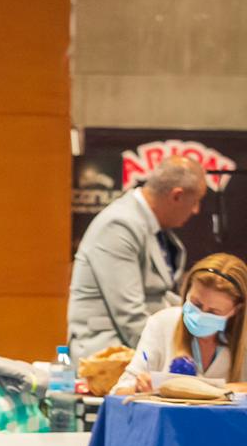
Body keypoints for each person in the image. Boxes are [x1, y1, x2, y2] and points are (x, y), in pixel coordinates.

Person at [69, 156, 208, 361]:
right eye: (195, 201)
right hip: (107, 357)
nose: (196, 210)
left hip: (137, 350)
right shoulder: (119, 226)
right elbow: (129, 317)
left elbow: (160, 296)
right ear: (176, 196)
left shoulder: (150, 226)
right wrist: (177, 355)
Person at [114, 253, 247, 393]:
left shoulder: (243, 338)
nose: (200, 315)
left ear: (236, 310)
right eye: (196, 304)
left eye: (213, 312)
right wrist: (138, 387)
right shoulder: (162, 323)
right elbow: (118, 392)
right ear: (187, 292)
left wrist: (216, 390)